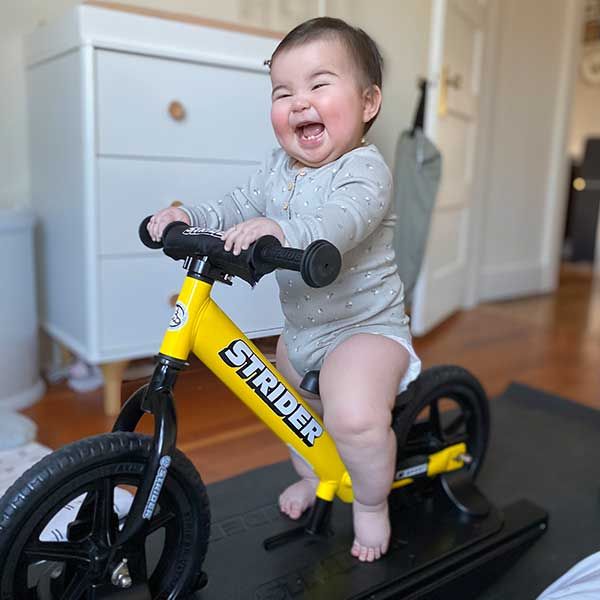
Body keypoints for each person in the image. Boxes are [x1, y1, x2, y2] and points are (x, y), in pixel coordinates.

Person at [147, 16, 421, 562]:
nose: (299, 102)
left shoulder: (365, 171)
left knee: (354, 419)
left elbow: (342, 221)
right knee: (287, 408)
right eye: (283, 91)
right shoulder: (277, 169)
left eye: (319, 85)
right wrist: (188, 214)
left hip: (365, 329)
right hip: (303, 331)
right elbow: (233, 205)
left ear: (368, 103)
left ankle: (370, 501)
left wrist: (283, 232)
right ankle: (320, 473)